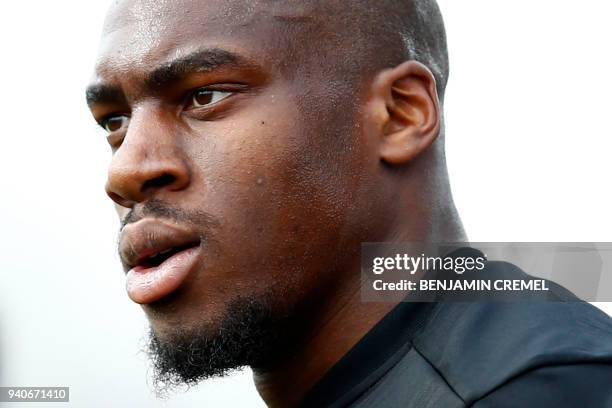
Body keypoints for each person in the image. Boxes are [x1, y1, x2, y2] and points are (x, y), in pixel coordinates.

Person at [85, 0, 612, 406]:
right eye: (115, 122)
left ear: (401, 115)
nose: (126, 171)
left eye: (206, 96)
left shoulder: (534, 389)